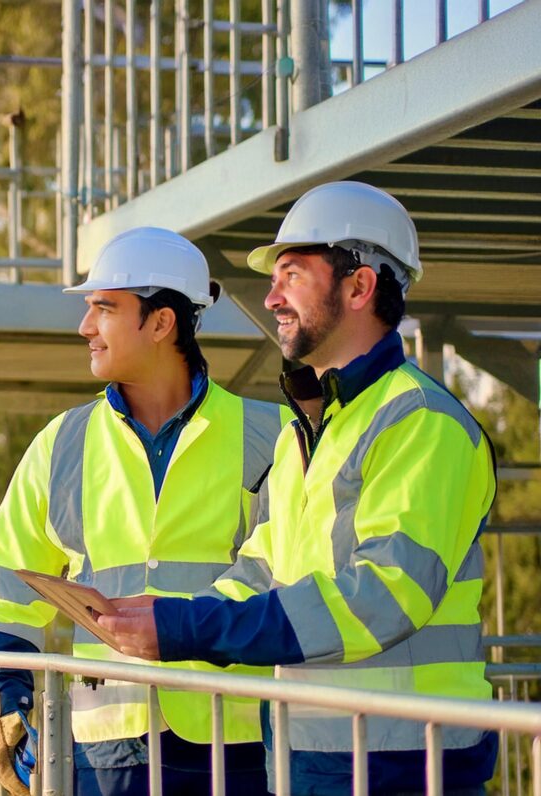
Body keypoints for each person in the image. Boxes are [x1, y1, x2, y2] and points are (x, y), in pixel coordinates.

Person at [98, 183, 498, 795]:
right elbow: (264, 566)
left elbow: (384, 594)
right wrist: (167, 617)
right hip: (311, 752)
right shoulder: (304, 432)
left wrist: (190, 631)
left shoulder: (422, 421)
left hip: (406, 759)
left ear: (360, 286)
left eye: (291, 273)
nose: (272, 296)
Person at [0, 226, 287, 796]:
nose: (85, 327)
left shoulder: (272, 436)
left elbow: (289, 567)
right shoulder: (61, 441)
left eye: (104, 309)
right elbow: (5, 579)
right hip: (103, 746)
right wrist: (7, 699)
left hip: (236, 743)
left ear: (162, 322)